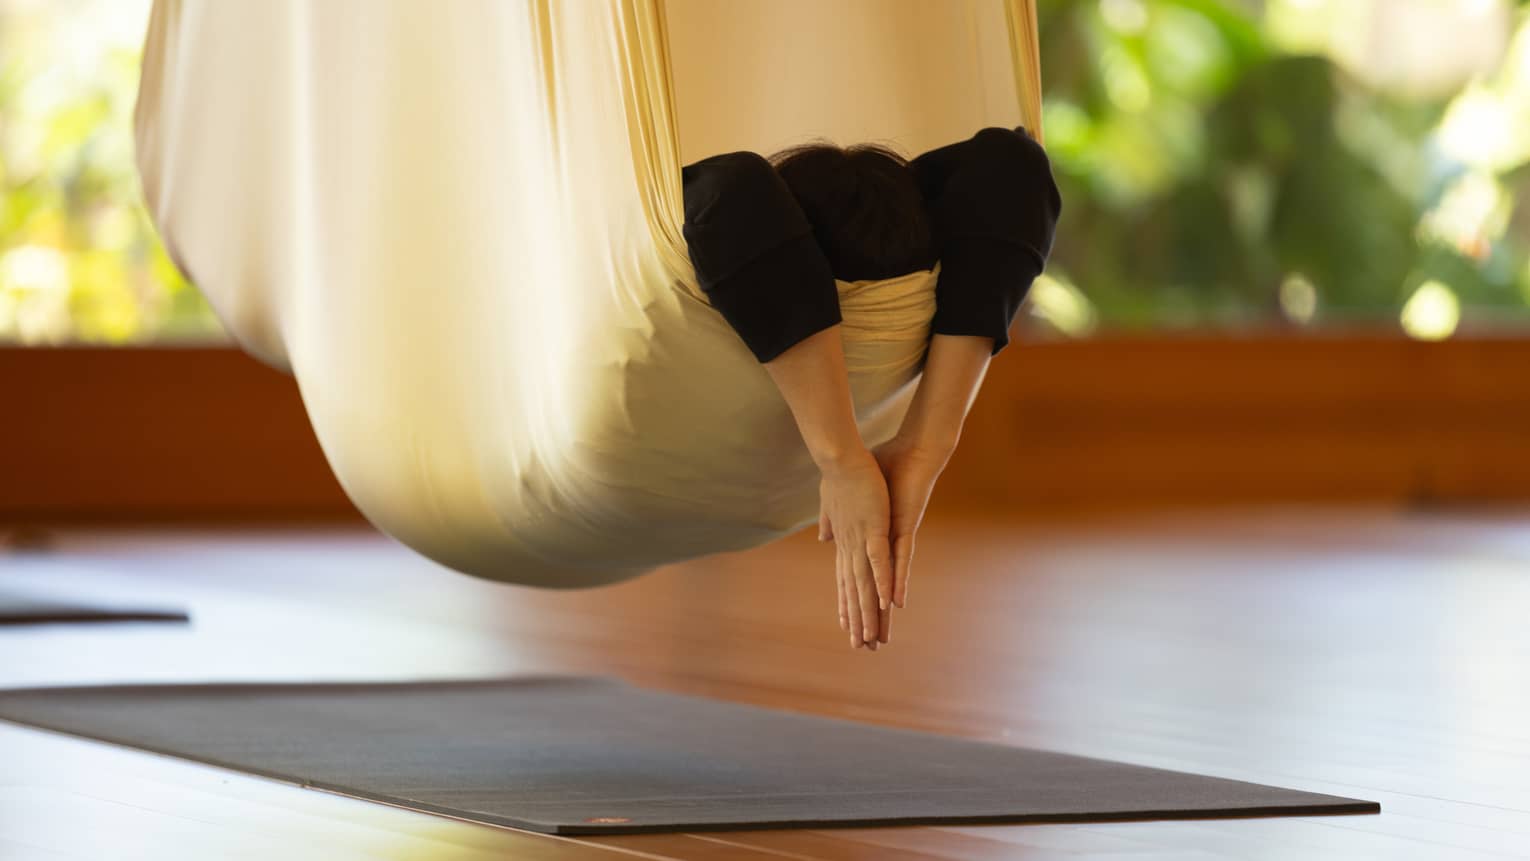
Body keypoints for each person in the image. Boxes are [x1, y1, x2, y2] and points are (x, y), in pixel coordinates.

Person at [681, 126, 1061, 652]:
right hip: (803, 474)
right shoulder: (941, 289)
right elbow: (1013, 169)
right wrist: (867, 452)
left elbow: (732, 191)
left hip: (675, 483)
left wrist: (914, 448)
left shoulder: (729, 236)